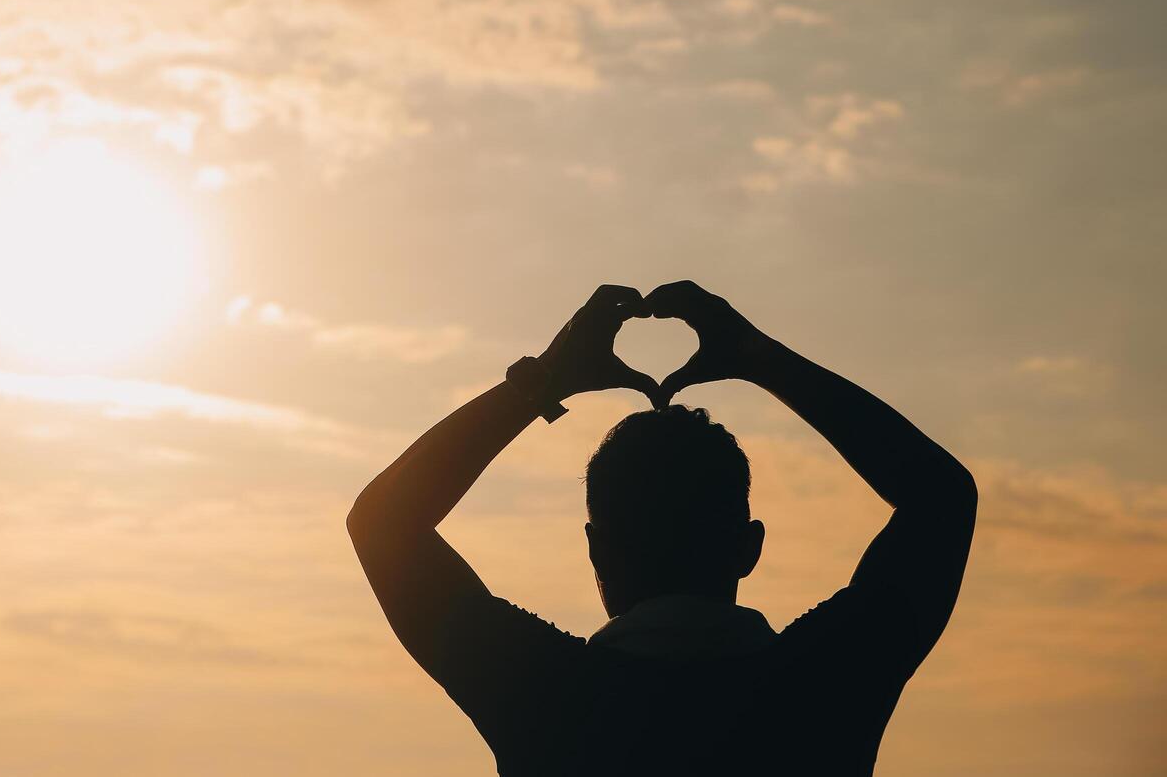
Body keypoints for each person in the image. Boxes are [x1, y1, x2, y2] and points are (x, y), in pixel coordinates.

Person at [347, 281, 977, 775]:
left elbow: (383, 524)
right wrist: (763, 360)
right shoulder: (829, 683)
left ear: (597, 550)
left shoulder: (539, 693)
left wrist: (542, 382)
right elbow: (942, 500)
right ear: (749, 547)